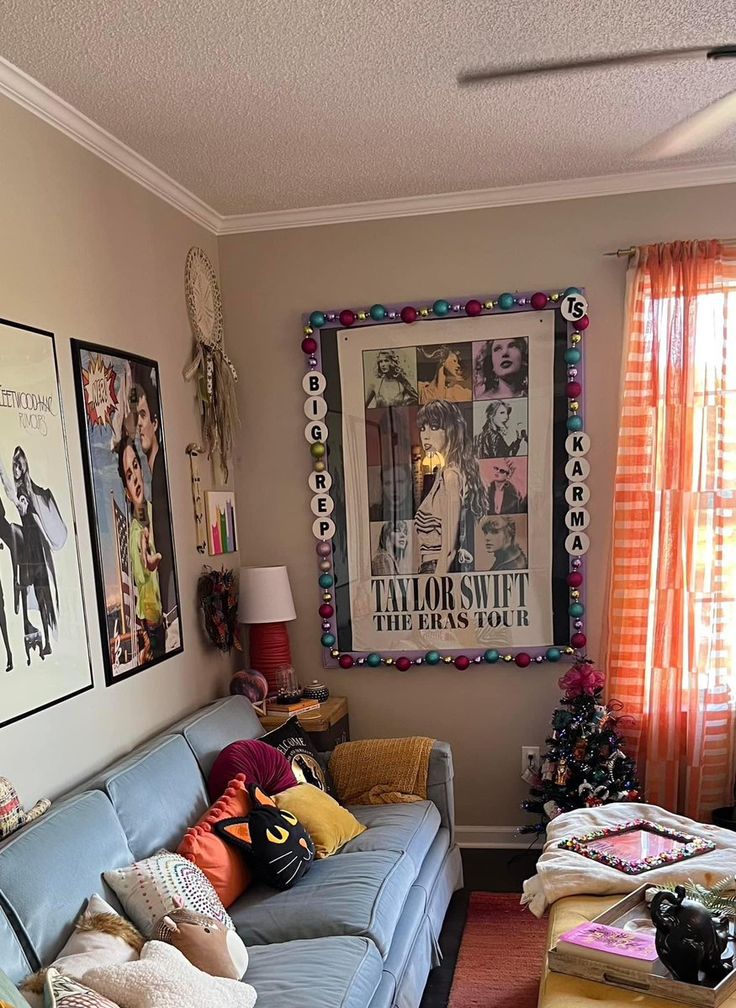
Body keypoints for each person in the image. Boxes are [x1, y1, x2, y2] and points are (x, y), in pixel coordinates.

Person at [0, 448, 67, 664]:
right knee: (30, 589)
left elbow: (35, 506)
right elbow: (8, 488)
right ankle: (33, 632)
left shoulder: (30, 490)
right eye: (15, 465)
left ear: (25, 466)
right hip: (28, 545)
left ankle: (47, 641)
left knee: (42, 593)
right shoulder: (17, 489)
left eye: (20, 465)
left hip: (36, 544)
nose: (17, 469)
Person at [414, 401, 485, 573]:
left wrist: (436, 586)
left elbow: (448, 551)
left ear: (451, 430)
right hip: (435, 569)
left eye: (434, 427)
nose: (426, 436)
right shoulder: (445, 472)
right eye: (423, 428)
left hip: (437, 570)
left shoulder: (450, 475)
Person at [118, 435, 165, 662]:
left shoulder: (156, 511)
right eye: (128, 475)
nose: (135, 476)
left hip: (160, 615)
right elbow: (139, 573)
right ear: (126, 491)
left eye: (135, 466)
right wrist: (148, 563)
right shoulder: (136, 531)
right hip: (152, 621)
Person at [131, 369, 174, 616]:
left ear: (155, 424)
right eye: (135, 416)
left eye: (143, 416)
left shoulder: (161, 477)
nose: (138, 424)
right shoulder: (152, 477)